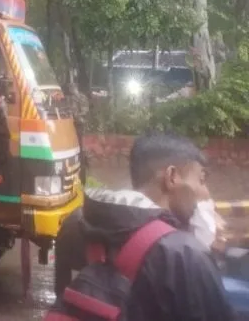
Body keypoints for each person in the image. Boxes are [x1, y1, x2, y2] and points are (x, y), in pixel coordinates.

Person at [52, 132, 233, 321]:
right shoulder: (185, 254)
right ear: (172, 177)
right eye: (201, 180)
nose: (206, 192)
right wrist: (209, 256)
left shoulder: (75, 225)